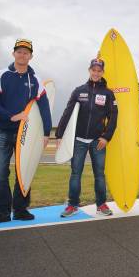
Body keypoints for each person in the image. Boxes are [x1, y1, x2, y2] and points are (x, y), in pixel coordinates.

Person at [0, 39, 51, 225]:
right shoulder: (0, 75)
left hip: (27, 134)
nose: (22, 55)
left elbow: (44, 108)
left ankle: (20, 209)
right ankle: (2, 212)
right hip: (3, 132)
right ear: (13, 53)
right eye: (19, 51)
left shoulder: (35, 79)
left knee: (24, 170)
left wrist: (46, 133)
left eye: (26, 52)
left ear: (31, 56)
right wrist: (11, 116)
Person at [55, 58, 117, 217]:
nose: (96, 73)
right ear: (89, 70)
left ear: (102, 72)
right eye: (93, 70)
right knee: (75, 173)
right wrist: (59, 135)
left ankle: (101, 204)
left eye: (99, 70)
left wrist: (106, 137)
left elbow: (114, 117)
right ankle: (73, 205)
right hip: (78, 140)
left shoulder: (108, 94)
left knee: (99, 175)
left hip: (98, 141)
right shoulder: (78, 90)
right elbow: (67, 113)